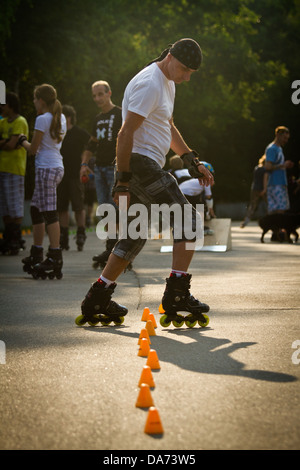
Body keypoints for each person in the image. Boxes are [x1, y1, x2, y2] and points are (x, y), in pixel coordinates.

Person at [76, 38, 215, 328]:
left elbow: (168, 126)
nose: (187, 77)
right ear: (171, 58)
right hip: (139, 164)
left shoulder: (168, 83)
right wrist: (122, 182)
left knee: (134, 235)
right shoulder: (150, 83)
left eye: (192, 73)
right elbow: (125, 134)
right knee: (188, 220)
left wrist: (192, 161)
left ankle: (97, 296)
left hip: (143, 165)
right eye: (186, 69)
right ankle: (177, 294)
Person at [19, 84, 67, 279]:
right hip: (55, 166)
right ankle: (37, 250)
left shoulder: (42, 119)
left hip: (46, 168)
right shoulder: (60, 117)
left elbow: (33, 149)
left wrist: (22, 140)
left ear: (41, 100)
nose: (33, 102)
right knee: (36, 209)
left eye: (34, 99)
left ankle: (54, 255)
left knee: (49, 212)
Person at [80, 80, 122, 267]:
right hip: (99, 168)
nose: (97, 98)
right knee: (105, 209)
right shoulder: (97, 119)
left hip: (116, 167)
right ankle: (111, 247)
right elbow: (91, 144)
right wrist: (83, 163)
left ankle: (121, 250)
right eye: (94, 95)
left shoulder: (121, 114)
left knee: (119, 208)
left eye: (100, 94)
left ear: (109, 93)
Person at [57, 105, 90, 251]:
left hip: (75, 174)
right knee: (62, 206)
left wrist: (85, 164)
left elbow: (90, 146)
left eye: (61, 115)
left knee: (78, 205)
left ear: (68, 117)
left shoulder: (79, 132)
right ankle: (63, 235)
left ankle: (81, 232)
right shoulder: (57, 133)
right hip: (60, 174)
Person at [0, 92, 29, 255]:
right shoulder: (2, 122)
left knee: (15, 204)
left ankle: (16, 238)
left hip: (15, 169)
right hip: (2, 168)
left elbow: (12, 145)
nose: (1, 108)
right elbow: (10, 142)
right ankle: (8, 236)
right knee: (4, 206)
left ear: (10, 105)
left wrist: (5, 142)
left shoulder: (20, 121)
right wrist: (7, 142)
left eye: (3, 104)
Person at [265, 126, 294, 214]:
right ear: (278, 135)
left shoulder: (279, 148)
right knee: (279, 210)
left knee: (280, 209)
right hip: (275, 183)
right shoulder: (272, 149)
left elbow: (277, 165)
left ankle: (277, 227)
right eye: (284, 138)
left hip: (280, 182)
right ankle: (277, 227)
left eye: (287, 138)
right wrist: (282, 165)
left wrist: (285, 165)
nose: (286, 140)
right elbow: (267, 166)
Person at [240, 155, 267, 228]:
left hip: (254, 188)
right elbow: (265, 180)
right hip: (262, 189)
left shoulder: (256, 168)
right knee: (269, 205)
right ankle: (270, 220)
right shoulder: (265, 170)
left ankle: (245, 222)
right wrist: (264, 189)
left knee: (252, 206)